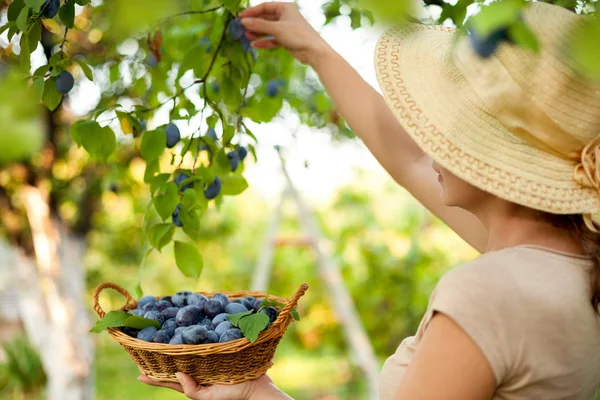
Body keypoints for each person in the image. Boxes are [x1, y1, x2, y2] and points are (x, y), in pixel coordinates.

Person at [139, 1, 600, 399]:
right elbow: (410, 160)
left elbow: (415, 160)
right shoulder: (570, 266)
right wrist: (313, 48)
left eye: (452, 128)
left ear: (496, 158)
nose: (431, 137)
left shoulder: (488, 293)